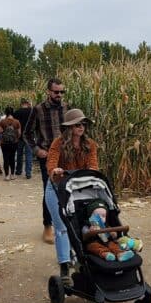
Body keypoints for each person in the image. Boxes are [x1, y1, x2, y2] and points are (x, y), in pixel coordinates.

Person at [45, 108, 98, 285]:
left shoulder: (89, 144)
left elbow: (93, 165)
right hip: (58, 188)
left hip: (78, 189)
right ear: (69, 127)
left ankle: (80, 260)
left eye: (83, 124)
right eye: (77, 124)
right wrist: (55, 171)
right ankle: (64, 266)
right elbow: (51, 163)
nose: (81, 127)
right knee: (61, 227)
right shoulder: (58, 143)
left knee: (78, 226)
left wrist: (92, 172)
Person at [26, 78, 69, 244]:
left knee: (67, 189)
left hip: (66, 156)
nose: (59, 95)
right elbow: (27, 134)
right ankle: (47, 226)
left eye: (61, 92)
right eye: (56, 92)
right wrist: (37, 150)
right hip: (48, 158)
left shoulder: (67, 108)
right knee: (49, 191)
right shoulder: (38, 109)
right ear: (48, 92)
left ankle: (65, 223)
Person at [0, 106, 21, 181]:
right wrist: (15, 138)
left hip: (4, 143)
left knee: (6, 158)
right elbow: (19, 133)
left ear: (5, 112)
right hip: (14, 142)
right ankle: (13, 175)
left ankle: (7, 175)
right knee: (12, 158)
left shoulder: (2, 121)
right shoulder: (17, 121)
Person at [13, 98, 34, 178]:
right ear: (27, 103)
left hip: (20, 136)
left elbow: (14, 125)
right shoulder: (32, 112)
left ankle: (18, 170)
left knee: (19, 154)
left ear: (21, 104)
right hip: (29, 136)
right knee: (29, 155)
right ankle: (28, 173)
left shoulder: (17, 112)